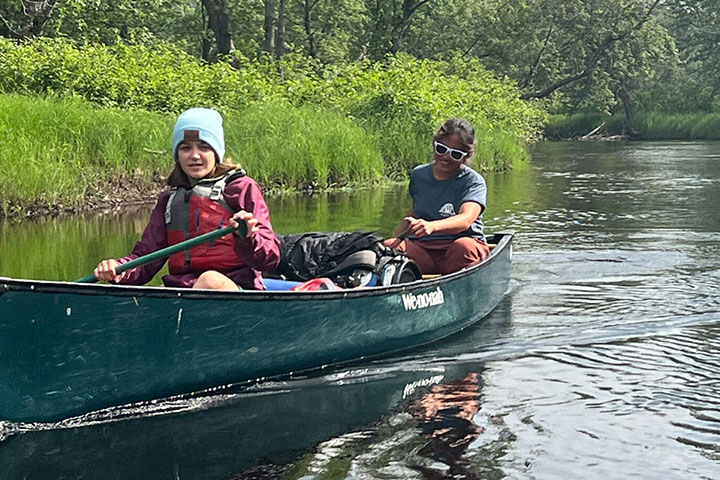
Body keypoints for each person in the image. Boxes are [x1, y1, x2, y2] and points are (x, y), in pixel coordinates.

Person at [93, 107, 280, 291]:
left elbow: (270, 258)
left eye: (204, 147)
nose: (195, 155)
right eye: (185, 148)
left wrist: (248, 237)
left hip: (236, 288)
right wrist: (118, 269)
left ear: (216, 153)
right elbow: (146, 259)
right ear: (177, 155)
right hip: (182, 289)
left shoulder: (241, 188)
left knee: (210, 280)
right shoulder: (169, 200)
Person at [386, 118, 491, 275]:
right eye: (441, 149)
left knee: (464, 247)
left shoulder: (473, 182)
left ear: (465, 157)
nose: (446, 157)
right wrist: (393, 243)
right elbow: (414, 212)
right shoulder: (419, 175)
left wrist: (432, 226)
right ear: (434, 145)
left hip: (460, 248)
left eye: (455, 154)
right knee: (388, 249)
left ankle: (456, 283)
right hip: (425, 249)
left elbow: (466, 219)